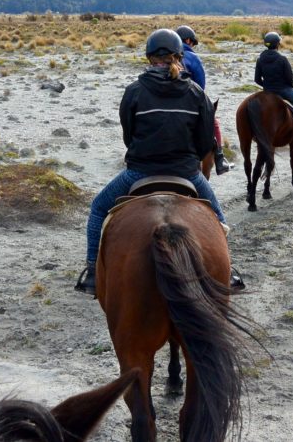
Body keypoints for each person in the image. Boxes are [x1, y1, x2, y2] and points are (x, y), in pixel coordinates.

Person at [76, 28, 228, 295]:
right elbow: (206, 143)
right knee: (218, 218)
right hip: (187, 174)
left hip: (140, 172)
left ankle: (91, 272)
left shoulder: (134, 91)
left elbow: (128, 135)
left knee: (99, 208)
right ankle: (230, 272)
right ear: (178, 56)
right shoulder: (196, 94)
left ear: (149, 58)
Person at [176, 24, 233, 175]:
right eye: (193, 43)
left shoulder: (168, 55)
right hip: (189, 100)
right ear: (188, 40)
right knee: (214, 122)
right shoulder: (192, 57)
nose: (193, 46)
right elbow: (200, 85)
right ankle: (220, 159)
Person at [254, 31, 293, 140]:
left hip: (268, 91)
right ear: (277, 44)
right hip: (284, 90)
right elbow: (289, 78)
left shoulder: (260, 60)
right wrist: (290, 87)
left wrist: (266, 86)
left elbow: (257, 79)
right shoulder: (282, 59)